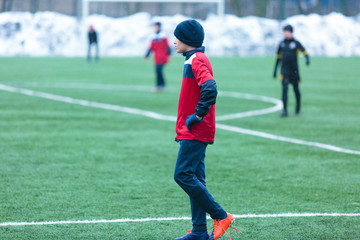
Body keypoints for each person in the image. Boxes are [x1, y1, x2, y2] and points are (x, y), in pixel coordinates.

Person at [173, 19, 241, 240]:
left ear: (187, 40)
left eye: (177, 37)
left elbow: (210, 87)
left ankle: (221, 216)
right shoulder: (192, 58)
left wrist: (197, 116)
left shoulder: (197, 59)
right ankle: (200, 231)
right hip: (192, 129)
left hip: (195, 130)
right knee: (195, 178)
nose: (174, 42)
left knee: (182, 175)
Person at [273, 24, 310, 117]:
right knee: (284, 89)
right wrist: (275, 70)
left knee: (296, 90)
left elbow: (305, 52)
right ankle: (285, 111)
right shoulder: (281, 44)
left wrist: (307, 59)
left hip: (294, 71)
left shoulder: (296, 43)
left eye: (287, 32)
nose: (285, 34)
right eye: (284, 32)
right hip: (284, 71)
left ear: (291, 33)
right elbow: (278, 58)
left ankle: (298, 107)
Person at [144, 22, 171, 92]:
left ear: (159, 27)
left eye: (157, 26)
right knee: (158, 70)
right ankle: (162, 84)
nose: (156, 28)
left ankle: (159, 85)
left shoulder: (163, 35)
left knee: (158, 70)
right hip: (156, 57)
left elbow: (168, 46)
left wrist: (169, 55)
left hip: (163, 56)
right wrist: (146, 55)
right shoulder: (153, 36)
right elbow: (150, 47)